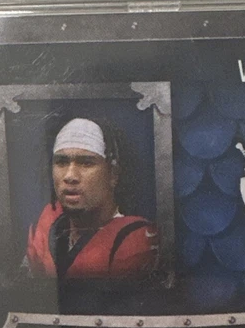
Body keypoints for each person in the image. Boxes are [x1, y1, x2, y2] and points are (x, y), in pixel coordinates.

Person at [25, 117, 159, 279]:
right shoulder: (48, 222)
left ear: (113, 174)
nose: (70, 176)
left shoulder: (133, 240)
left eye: (86, 163)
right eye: (61, 162)